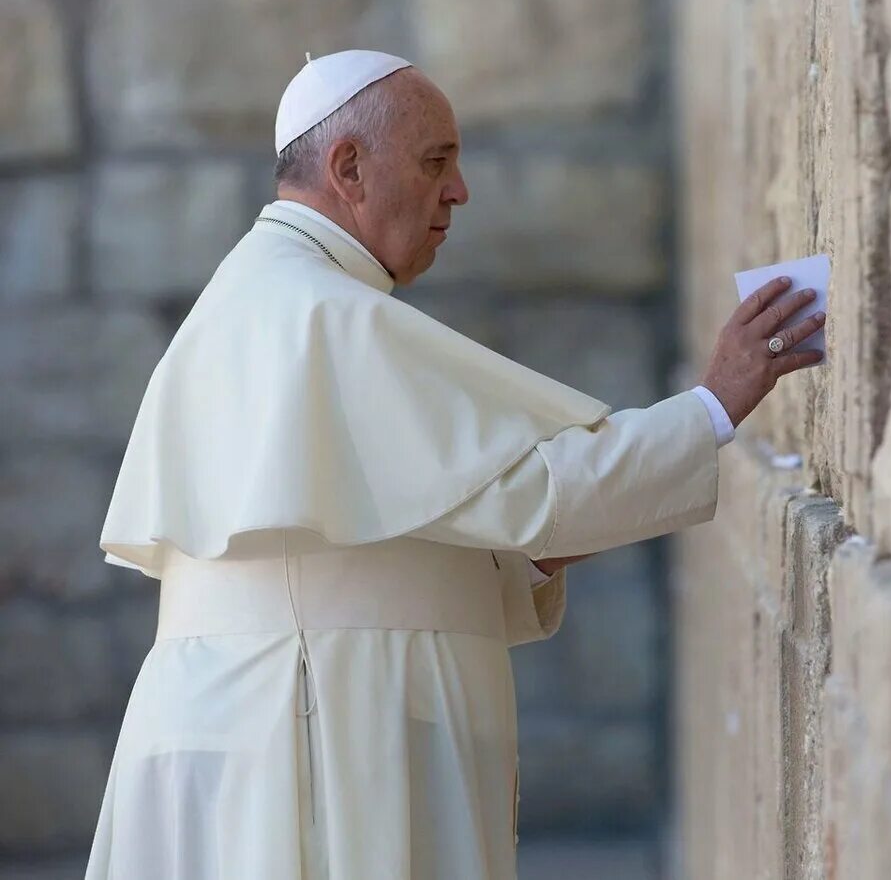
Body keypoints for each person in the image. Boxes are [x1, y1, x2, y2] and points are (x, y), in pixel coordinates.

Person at [83, 50, 826, 880]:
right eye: (437, 162)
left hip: (261, 719)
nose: (460, 191)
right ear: (350, 168)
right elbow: (533, 489)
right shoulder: (320, 312)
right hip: (309, 733)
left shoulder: (264, 294)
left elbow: (443, 527)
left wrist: (537, 547)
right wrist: (714, 404)